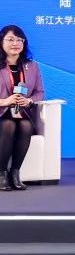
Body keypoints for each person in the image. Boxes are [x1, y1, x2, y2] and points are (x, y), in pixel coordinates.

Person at [0, 25, 45, 191]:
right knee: (8, 125)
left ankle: (15, 173)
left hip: (22, 113)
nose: (16, 43)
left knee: (26, 125)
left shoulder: (32, 67)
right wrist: (5, 101)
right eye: (11, 39)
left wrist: (29, 101)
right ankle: (1, 174)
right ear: (1, 42)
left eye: (20, 40)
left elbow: (40, 93)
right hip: (2, 113)